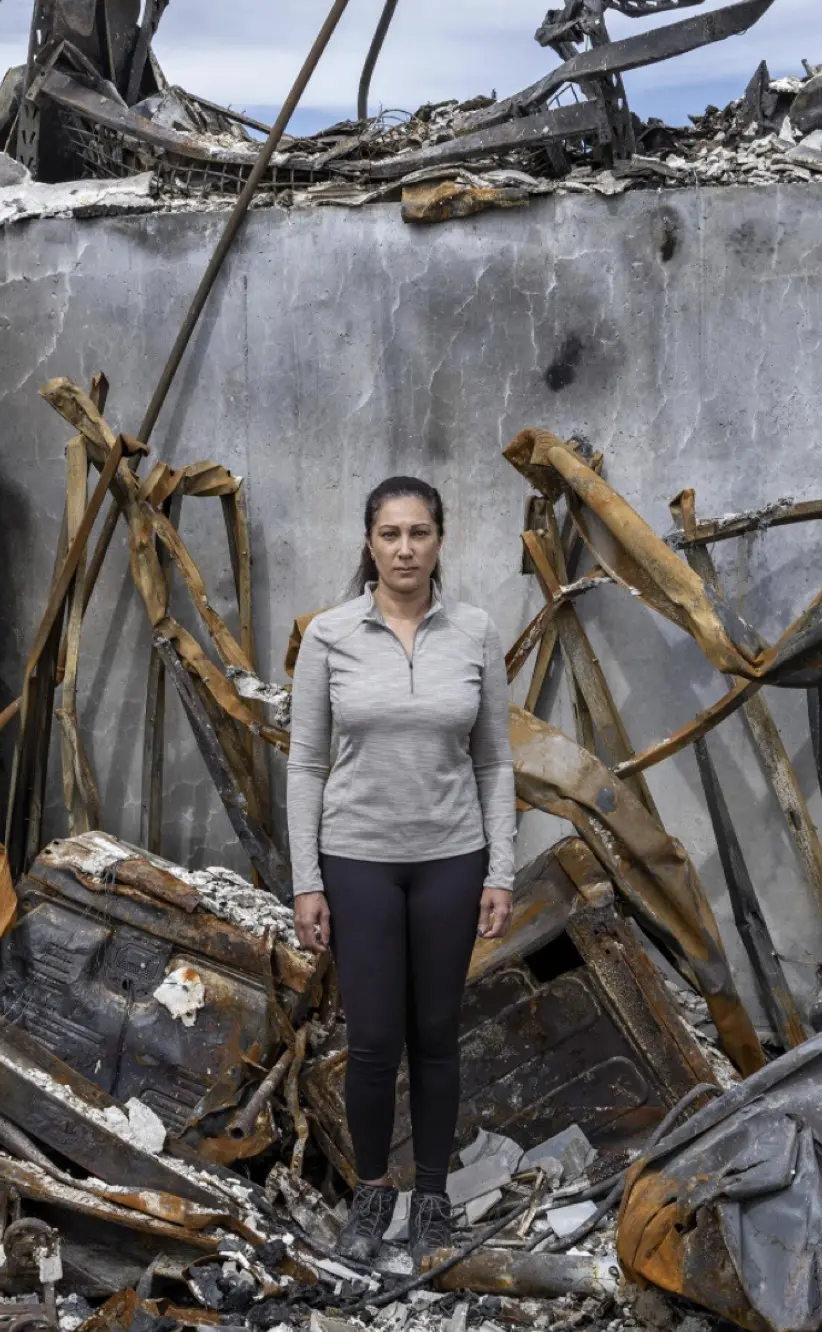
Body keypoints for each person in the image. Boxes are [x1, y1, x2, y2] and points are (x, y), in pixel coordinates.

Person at [286, 475, 517, 1264]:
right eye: (390, 534)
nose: (405, 548)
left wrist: (503, 871)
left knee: (437, 1036)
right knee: (376, 1039)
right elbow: (306, 763)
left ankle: (432, 1198)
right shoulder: (330, 635)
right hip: (358, 860)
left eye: (419, 533)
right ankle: (371, 1194)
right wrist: (306, 880)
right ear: (369, 543)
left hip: (453, 858)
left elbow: (495, 764)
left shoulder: (477, 632)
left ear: (440, 541)